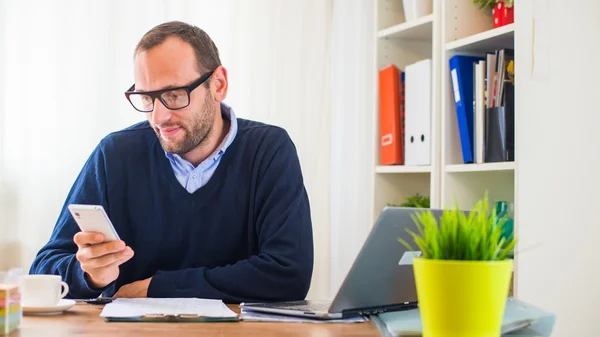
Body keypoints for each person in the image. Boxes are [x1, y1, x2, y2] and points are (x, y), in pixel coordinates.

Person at [29, 21, 314, 303]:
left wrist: (156, 287)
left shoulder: (268, 150)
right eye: (146, 98)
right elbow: (43, 269)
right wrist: (89, 275)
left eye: (174, 95)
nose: (158, 117)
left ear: (219, 85)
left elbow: (289, 273)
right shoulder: (114, 154)